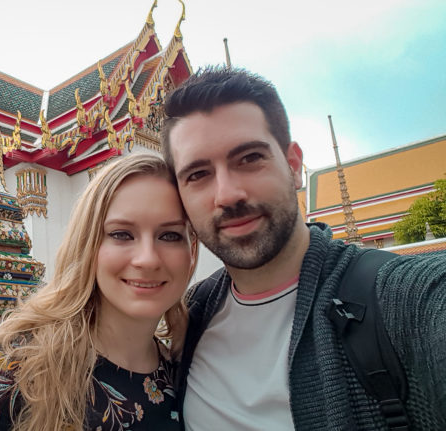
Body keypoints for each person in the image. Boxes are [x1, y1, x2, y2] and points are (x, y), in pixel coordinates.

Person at [161, 66, 446, 430]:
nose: (228, 194)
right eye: (198, 174)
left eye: (249, 158)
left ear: (294, 166)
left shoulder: (402, 300)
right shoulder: (192, 315)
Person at [0, 154, 198, 430]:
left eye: (170, 236)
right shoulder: (14, 370)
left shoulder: (184, 375)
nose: (147, 259)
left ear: (191, 252)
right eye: (121, 234)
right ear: (88, 244)